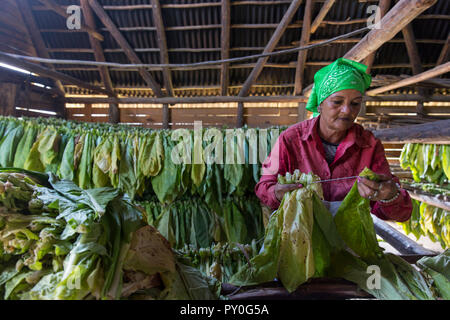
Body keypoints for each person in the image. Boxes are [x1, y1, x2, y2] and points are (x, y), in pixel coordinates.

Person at [255, 58, 412, 222]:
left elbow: (401, 214)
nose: (346, 110)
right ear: (320, 104)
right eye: (337, 102)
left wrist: (389, 196)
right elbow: (263, 188)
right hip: (300, 237)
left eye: (355, 103)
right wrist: (277, 193)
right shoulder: (291, 139)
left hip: (349, 240)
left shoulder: (369, 146)